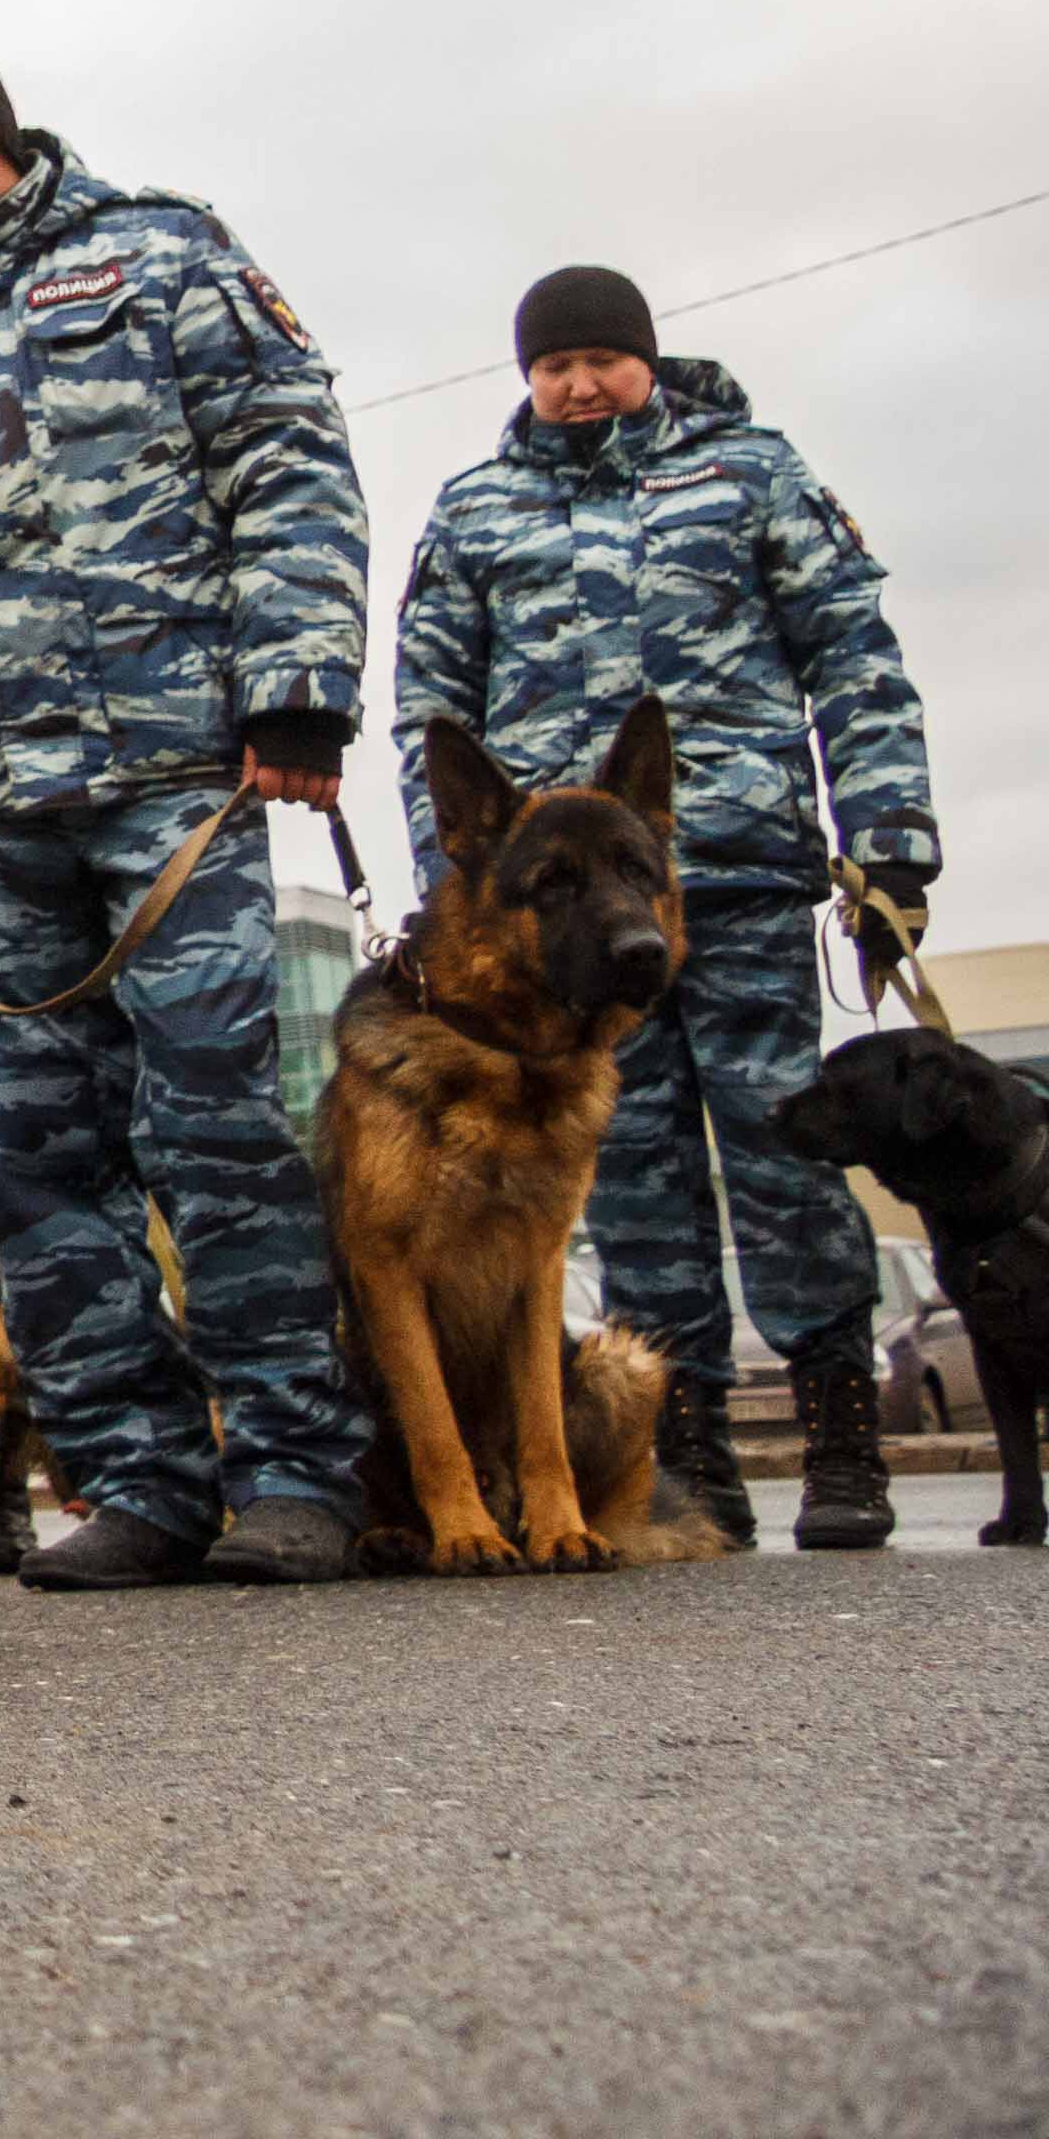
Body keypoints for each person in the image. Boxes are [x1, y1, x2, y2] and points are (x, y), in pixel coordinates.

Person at [0, 45, 372, 1589]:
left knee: (215, 1126)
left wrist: (297, 684)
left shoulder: (161, 257)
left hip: (166, 777)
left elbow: (286, 458)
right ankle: (139, 1481)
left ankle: (296, 1471)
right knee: (36, 1164)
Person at [392, 264, 934, 1551]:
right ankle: (685, 1454)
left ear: (646, 360)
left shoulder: (751, 474)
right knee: (627, 1183)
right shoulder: (474, 511)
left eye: (600, 360)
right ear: (525, 378)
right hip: (549, 922)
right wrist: (456, 903)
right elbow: (435, 714)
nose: (578, 386)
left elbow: (852, 652)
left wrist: (891, 841)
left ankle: (842, 1442)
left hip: (727, 872)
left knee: (782, 1151)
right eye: (551, 366)